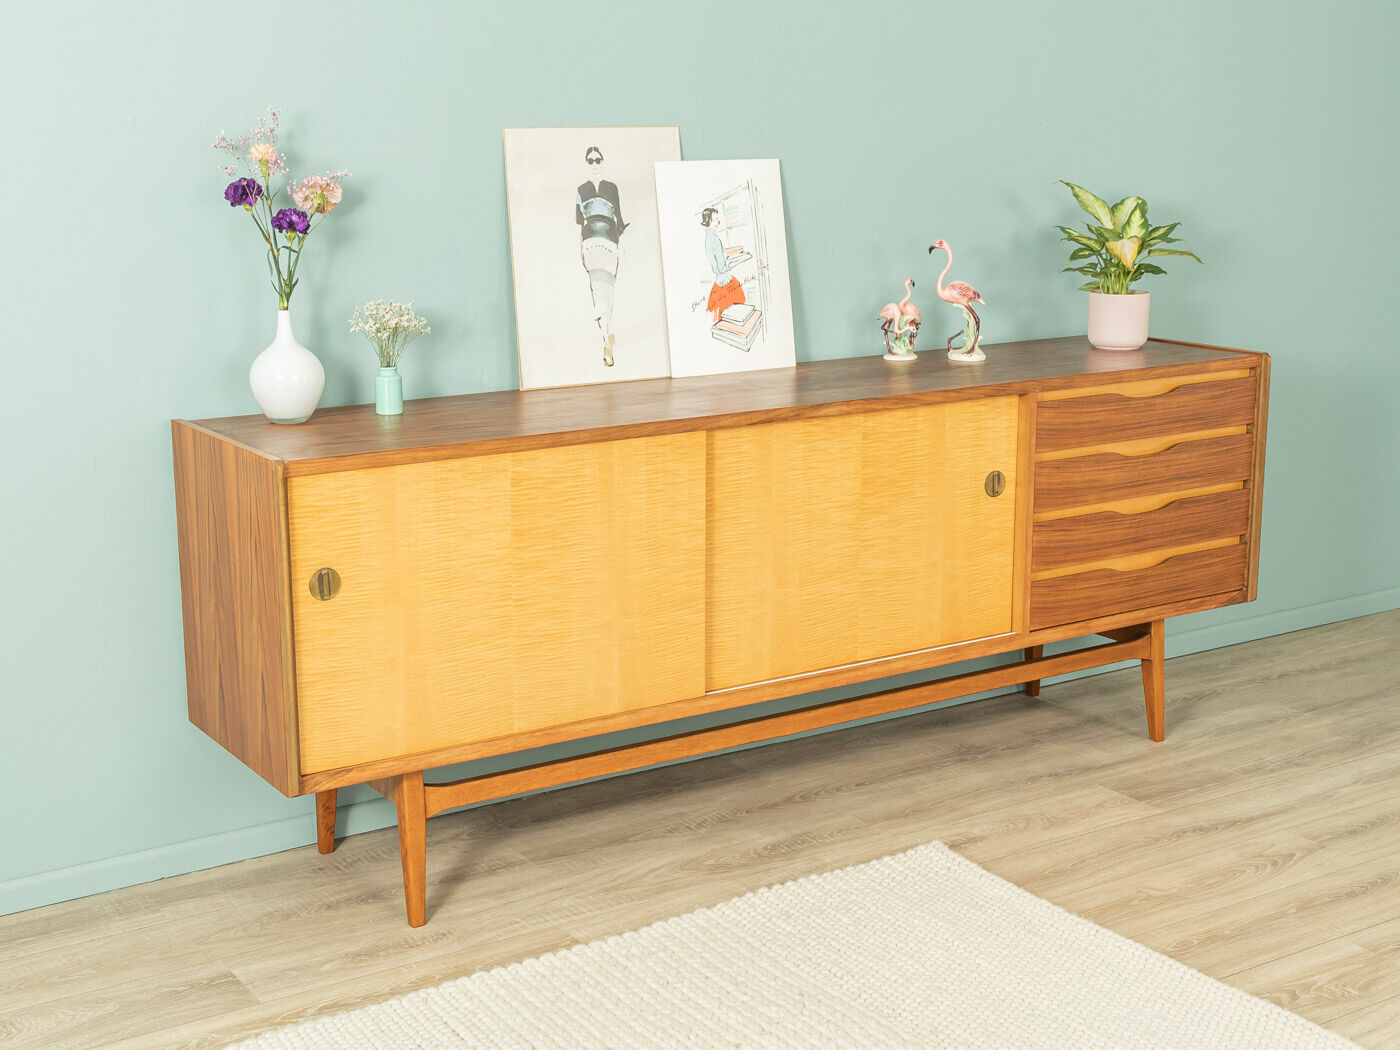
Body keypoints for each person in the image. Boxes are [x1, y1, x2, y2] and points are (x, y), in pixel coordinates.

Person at [576, 147, 626, 366]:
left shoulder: (612, 187)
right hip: (590, 244)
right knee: (598, 292)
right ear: (586, 163)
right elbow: (580, 223)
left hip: (610, 243)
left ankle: (609, 331)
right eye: (590, 161)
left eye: (598, 160)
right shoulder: (581, 190)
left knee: (609, 292)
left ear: (603, 162)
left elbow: (619, 221)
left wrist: (620, 247)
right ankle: (607, 343)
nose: (594, 164)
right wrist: (579, 249)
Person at [701, 206, 746, 324]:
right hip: (723, 279)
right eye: (715, 219)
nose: (718, 222)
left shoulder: (711, 237)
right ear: (708, 221)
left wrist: (737, 251)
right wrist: (736, 262)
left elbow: (721, 252)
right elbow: (720, 266)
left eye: (717, 219)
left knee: (726, 312)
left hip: (722, 278)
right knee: (730, 312)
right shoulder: (713, 238)